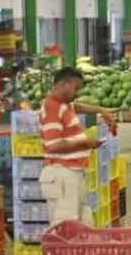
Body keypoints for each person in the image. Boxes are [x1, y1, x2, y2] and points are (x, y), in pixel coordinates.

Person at [38, 67, 117, 225]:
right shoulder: (53, 107)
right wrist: (86, 143)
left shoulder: (63, 105)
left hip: (74, 174)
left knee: (84, 224)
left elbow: (78, 107)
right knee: (67, 228)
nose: (78, 92)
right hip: (62, 174)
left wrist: (102, 111)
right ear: (64, 84)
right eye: (76, 88)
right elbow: (53, 145)